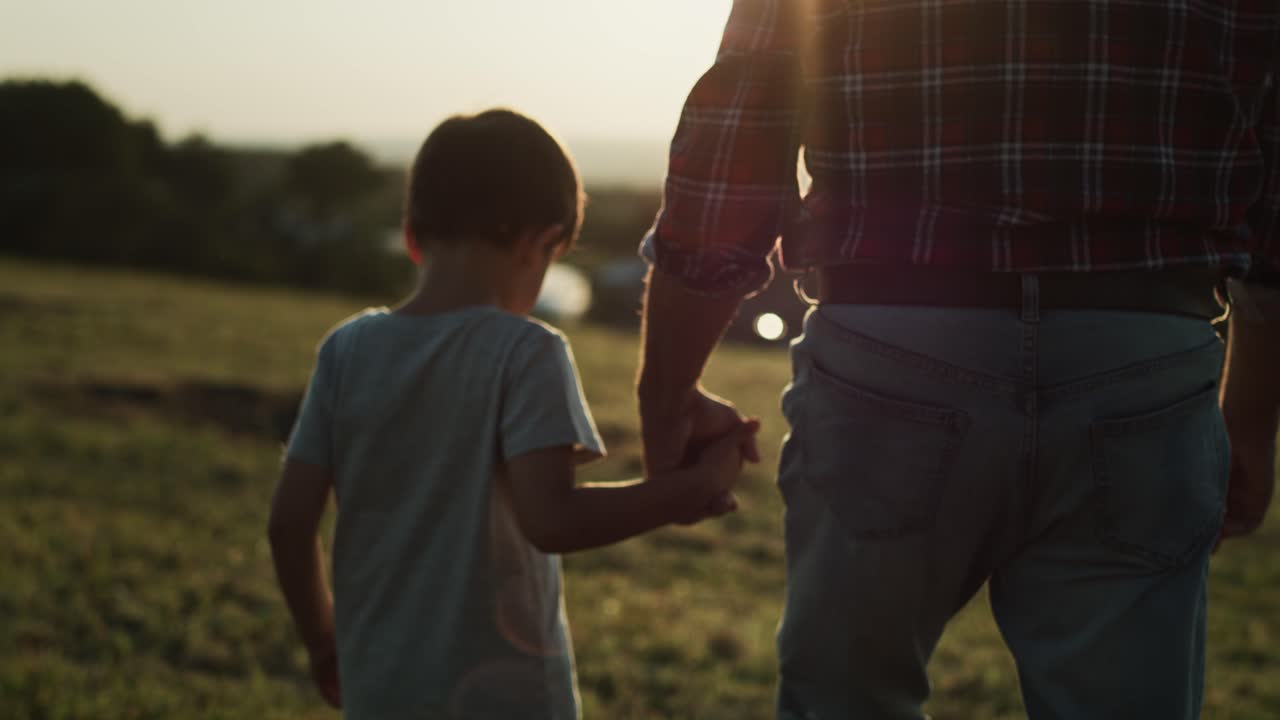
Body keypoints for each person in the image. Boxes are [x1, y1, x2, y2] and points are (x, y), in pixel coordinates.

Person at [637, 2, 1280, 718]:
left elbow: (735, 141)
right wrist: (1249, 419)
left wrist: (668, 393)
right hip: (1146, 352)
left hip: (892, 350)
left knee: (847, 700)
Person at [267, 109, 758, 720]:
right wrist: (693, 488)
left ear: (414, 235)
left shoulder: (346, 348)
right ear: (538, 243)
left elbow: (289, 525)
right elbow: (552, 520)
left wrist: (323, 641)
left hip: (378, 688)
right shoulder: (527, 351)